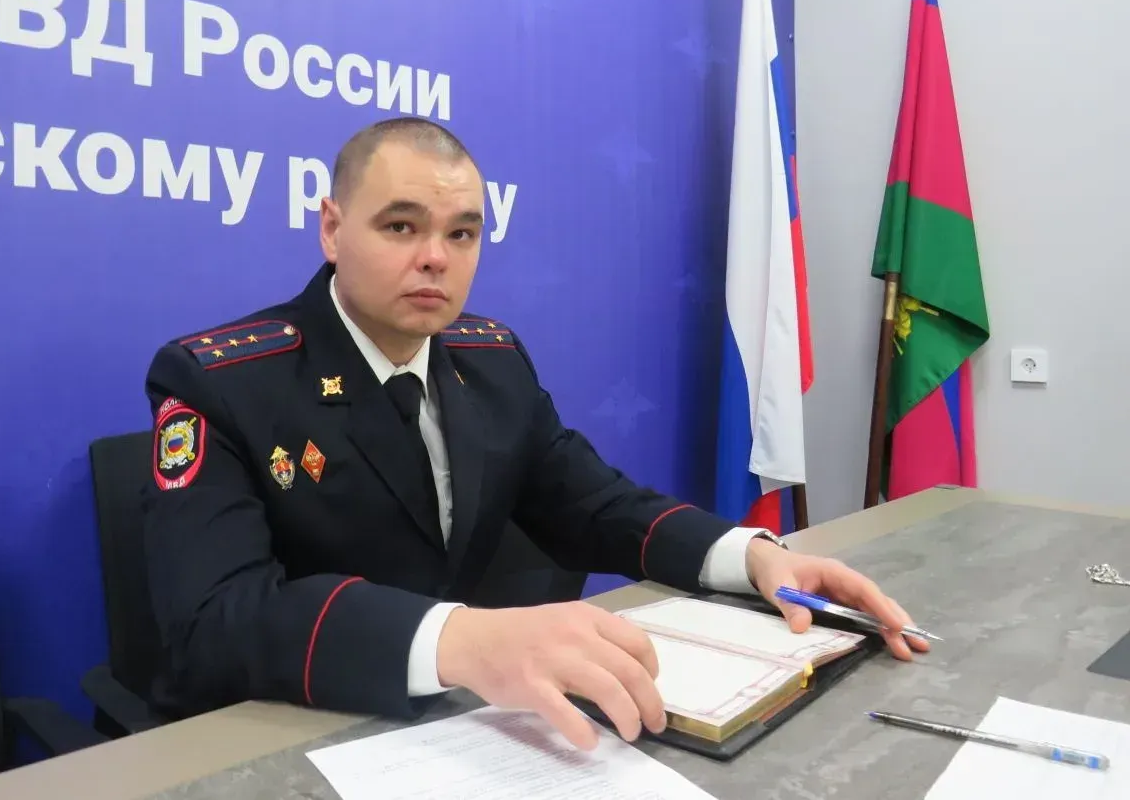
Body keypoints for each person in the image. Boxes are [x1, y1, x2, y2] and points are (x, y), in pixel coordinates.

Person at [141, 116, 928, 751]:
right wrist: (464, 642)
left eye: (462, 234)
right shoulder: (221, 381)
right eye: (401, 226)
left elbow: (594, 504)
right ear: (331, 229)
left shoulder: (490, 360)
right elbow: (213, 624)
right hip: (276, 735)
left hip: (447, 730)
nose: (435, 259)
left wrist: (749, 556)